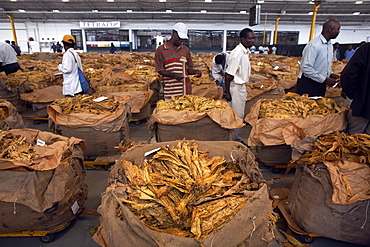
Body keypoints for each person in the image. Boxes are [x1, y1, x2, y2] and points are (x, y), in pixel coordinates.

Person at [154, 22, 202, 100]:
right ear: (174, 33)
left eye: (182, 39)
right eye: (179, 37)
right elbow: (160, 70)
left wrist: (196, 72)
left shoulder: (185, 50)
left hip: (185, 92)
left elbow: (188, 69)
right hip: (170, 92)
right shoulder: (161, 50)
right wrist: (174, 75)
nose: (180, 40)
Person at [295, 19, 341, 97]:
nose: (339, 32)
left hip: (320, 83)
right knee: (306, 106)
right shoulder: (314, 45)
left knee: (319, 106)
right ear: (330, 30)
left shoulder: (329, 45)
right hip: (308, 84)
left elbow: (325, 64)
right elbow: (306, 68)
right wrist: (325, 79)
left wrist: (330, 74)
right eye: (338, 29)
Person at [224, 28, 255, 142]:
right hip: (235, 88)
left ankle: (237, 139)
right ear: (243, 39)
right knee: (237, 116)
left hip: (241, 87)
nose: (252, 40)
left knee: (240, 114)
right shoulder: (237, 53)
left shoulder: (244, 52)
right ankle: (235, 141)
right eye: (249, 38)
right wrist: (227, 92)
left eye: (253, 38)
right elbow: (228, 75)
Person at [341, 42, 370, 135]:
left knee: (353, 140)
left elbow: (348, 73)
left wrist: (352, 93)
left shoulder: (367, 49)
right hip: (364, 104)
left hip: (363, 105)